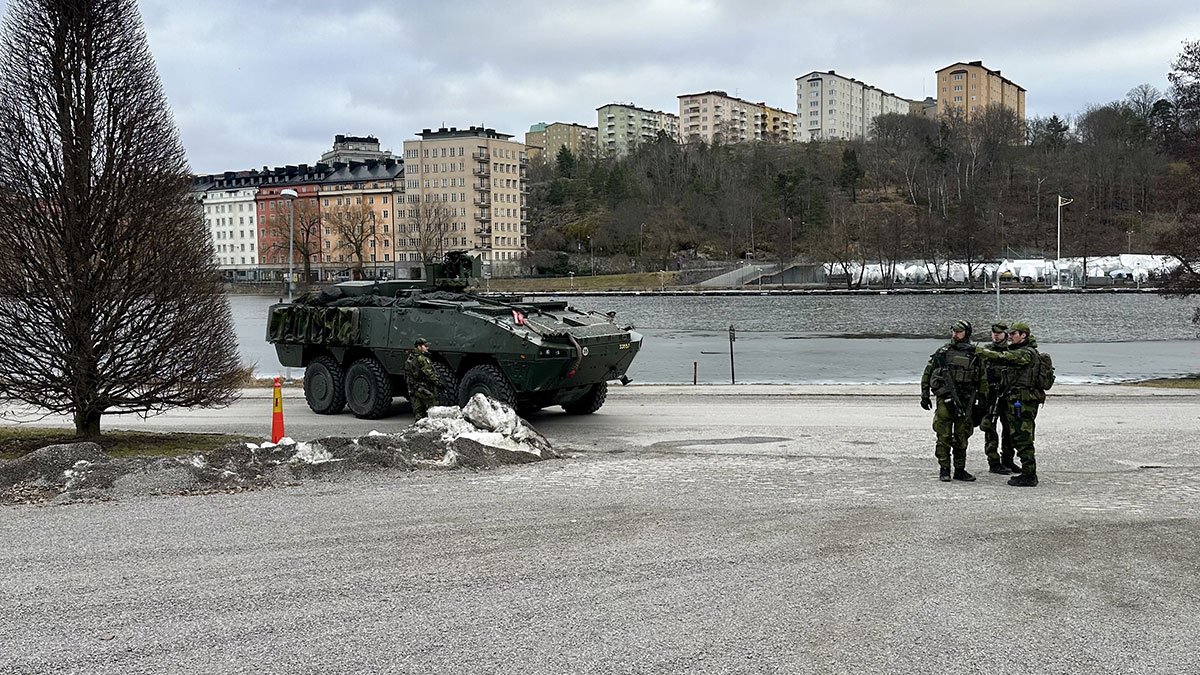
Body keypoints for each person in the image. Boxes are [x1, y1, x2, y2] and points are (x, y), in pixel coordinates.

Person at [975, 321, 1041, 487]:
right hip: (1011, 399)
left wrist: (980, 351)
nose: (1010, 337)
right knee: (1011, 433)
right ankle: (1010, 465)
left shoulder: (1026, 353)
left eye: (1013, 334)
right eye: (1009, 334)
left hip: (1022, 402)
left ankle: (1029, 474)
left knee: (1022, 437)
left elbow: (1004, 357)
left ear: (1023, 335)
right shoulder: (1019, 350)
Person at [920, 319, 983, 482]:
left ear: (966, 333)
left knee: (962, 436)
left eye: (959, 331)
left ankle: (960, 469)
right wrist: (925, 395)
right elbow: (928, 373)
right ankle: (944, 469)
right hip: (945, 399)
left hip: (966, 400)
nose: (955, 334)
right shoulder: (943, 352)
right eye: (954, 331)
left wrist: (983, 402)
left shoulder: (975, 354)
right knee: (943, 435)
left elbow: (983, 379)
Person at [977, 322, 1020, 475]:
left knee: (1009, 428)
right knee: (990, 428)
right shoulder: (985, 351)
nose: (996, 335)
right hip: (990, 395)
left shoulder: (1012, 351)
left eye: (999, 333)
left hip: (1008, 395)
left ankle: (1008, 460)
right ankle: (993, 461)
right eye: (994, 333)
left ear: (1005, 335)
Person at [404, 337, 440, 420]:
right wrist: (438, 383)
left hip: (414, 388)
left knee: (418, 413)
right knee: (433, 406)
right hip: (423, 388)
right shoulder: (422, 359)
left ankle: (419, 430)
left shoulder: (411, 357)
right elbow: (429, 373)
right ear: (419, 347)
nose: (427, 348)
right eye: (425, 346)